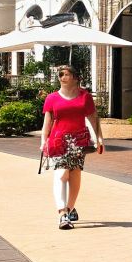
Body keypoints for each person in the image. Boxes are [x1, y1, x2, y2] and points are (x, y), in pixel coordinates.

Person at [38, 64, 103, 229]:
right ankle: (62, 214)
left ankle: (70, 207)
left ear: (75, 78)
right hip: (58, 141)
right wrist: (43, 141)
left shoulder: (85, 97)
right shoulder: (52, 98)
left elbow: (94, 119)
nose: (62, 77)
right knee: (61, 174)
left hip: (79, 140)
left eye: (66, 74)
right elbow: (47, 122)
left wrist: (100, 139)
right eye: (60, 74)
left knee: (74, 175)